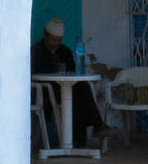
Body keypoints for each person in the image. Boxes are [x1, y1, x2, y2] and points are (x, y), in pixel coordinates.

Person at [31, 18, 117, 146]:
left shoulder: (65, 51)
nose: (55, 43)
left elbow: (71, 71)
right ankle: (95, 128)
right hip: (46, 90)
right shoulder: (36, 51)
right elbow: (36, 74)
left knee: (80, 90)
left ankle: (81, 140)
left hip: (65, 89)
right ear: (45, 35)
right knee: (80, 91)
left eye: (58, 40)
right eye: (53, 40)